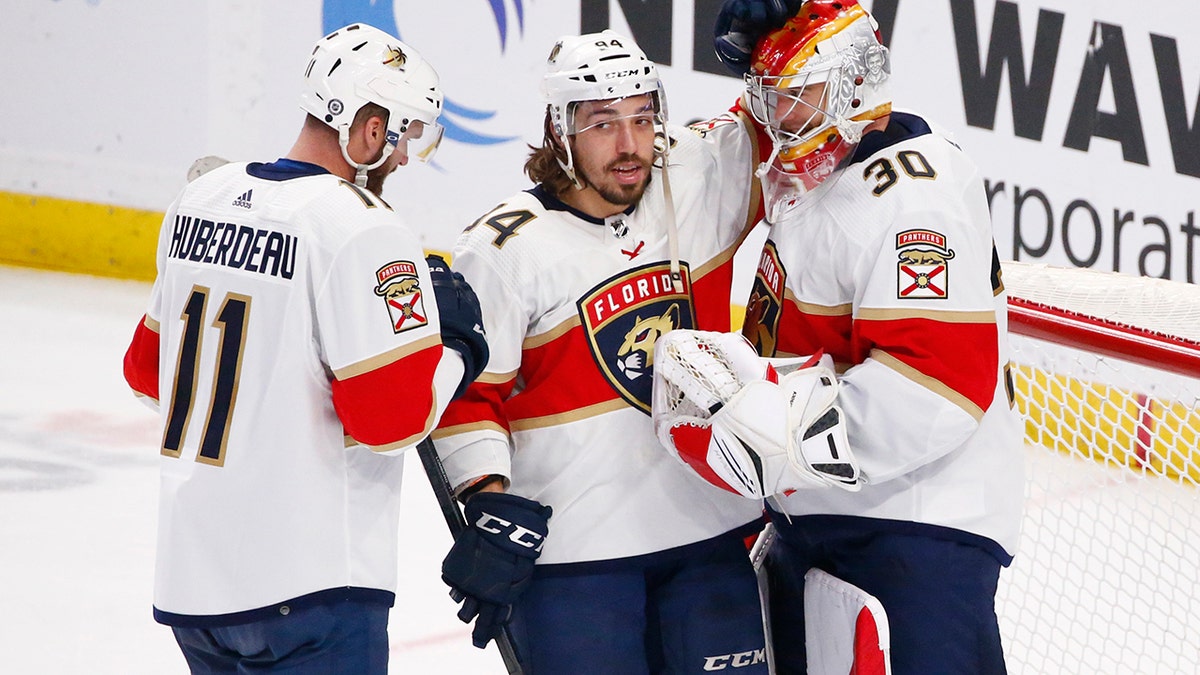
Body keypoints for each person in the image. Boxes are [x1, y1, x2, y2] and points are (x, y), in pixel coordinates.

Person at [121, 23, 488, 674]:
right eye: (405, 136)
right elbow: (389, 421)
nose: (403, 158)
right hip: (310, 592)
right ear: (371, 129)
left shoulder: (198, 200)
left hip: (194, 587)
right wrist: (455, 346)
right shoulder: (364, 228)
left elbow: (146, 371)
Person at [430, 29, 778, 673]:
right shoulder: (505, 249)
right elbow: (467, 395)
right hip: (575, 562)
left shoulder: (698, 175)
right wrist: (487, 500)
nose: (629, 146)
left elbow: (794, 117)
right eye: (603, 124)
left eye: (644, 119)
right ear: (559, 131)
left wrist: (783, 28)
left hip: (712, 536)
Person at [703, 1, 1025, 672]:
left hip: (915, 529)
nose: (781, 118)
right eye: (773, 98)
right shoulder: (817, 168)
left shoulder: (915, 202)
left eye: (798, 96)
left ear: (855, 84)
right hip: (826, 514)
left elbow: (933, 387)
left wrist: (772, 432)